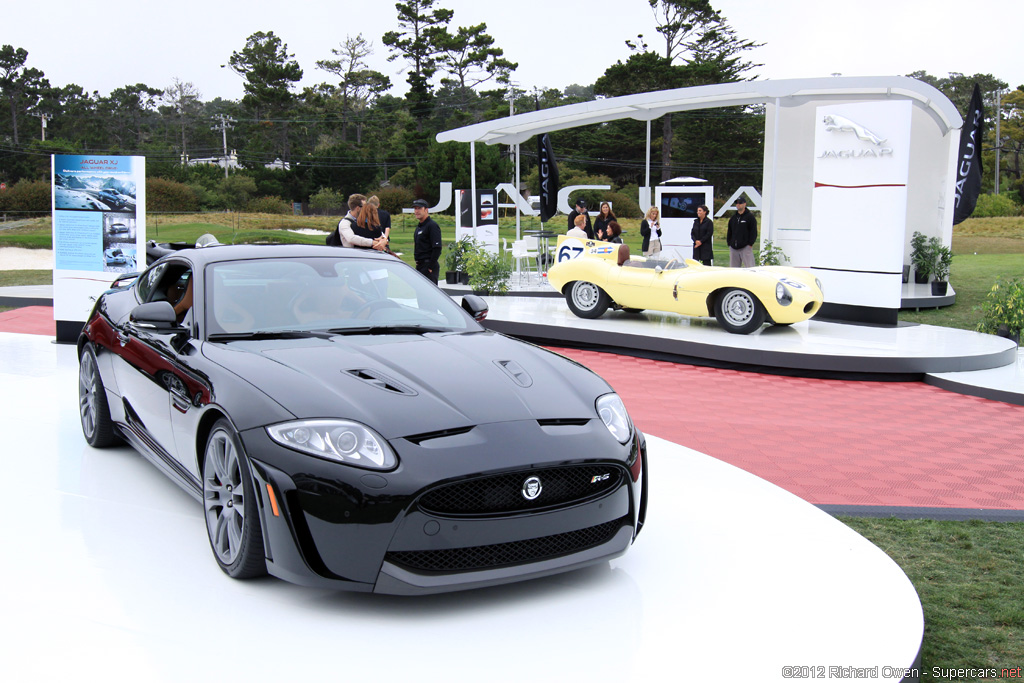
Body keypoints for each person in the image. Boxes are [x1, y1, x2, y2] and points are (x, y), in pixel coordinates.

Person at [412, 198, 443, 284]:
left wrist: (430, 267)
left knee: (430, 295)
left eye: (419, 208)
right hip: (420, 266)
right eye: (415, 208)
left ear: (426, 210)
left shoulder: (432, 226)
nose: (417, 211)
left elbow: (437, 248)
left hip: (428, 266)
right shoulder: (419, 227)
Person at [727, 196, 757, 267]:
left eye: (740, 203)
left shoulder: (750, 217)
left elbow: (753, 231)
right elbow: (730, 231)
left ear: (744, 204)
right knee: (734, 269)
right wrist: (729, 243)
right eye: (737, 203)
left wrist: (750, 243)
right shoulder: (733, 218)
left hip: (745, 247)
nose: (738, 205)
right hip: (733, 247)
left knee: (750, 267)